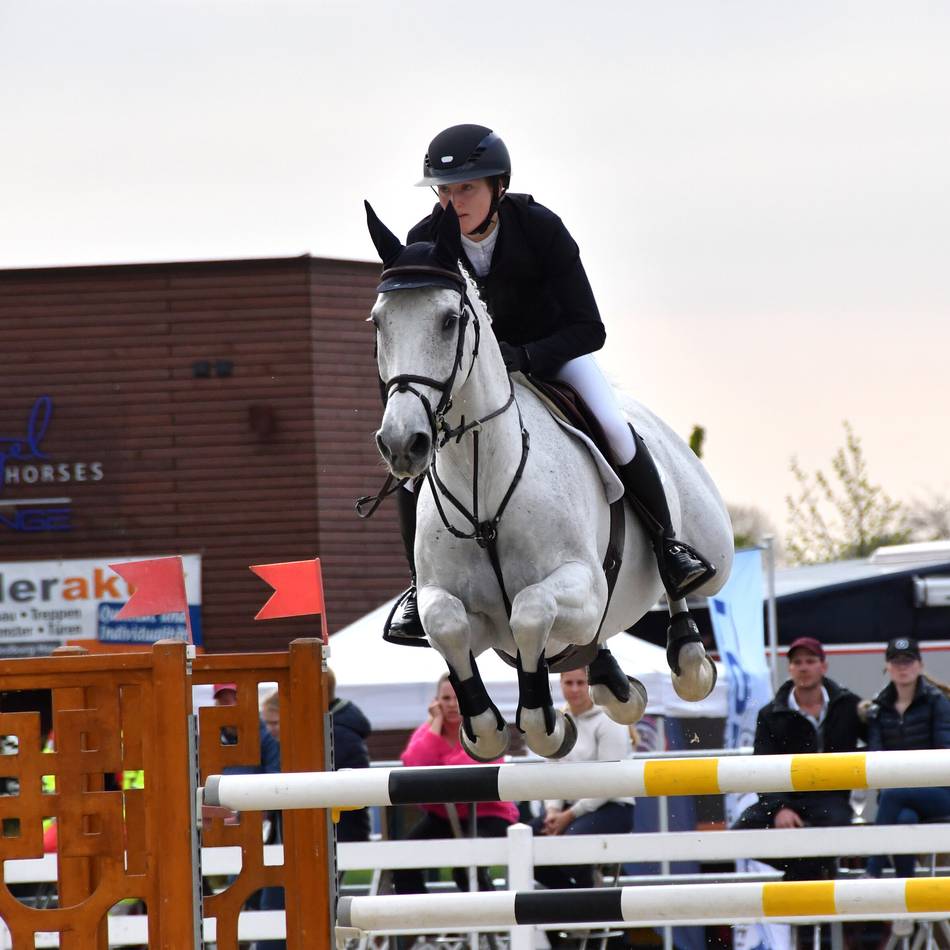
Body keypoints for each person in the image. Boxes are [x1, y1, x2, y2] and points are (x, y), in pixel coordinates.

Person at [384, 122, 715, 646]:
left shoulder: (540, 228)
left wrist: (526, 356)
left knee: (613, 426)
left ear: (499, 186)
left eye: (465, 188)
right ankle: (417, 585)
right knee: (412, 469)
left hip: (552, 356)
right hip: (474, 382)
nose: (452, 201)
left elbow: (590, 326)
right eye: (444, 191)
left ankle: (669, 550)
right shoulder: (425, 240)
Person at [732, 636, 865, 880]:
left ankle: (803, 880)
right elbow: (763, 766)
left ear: (823, 666)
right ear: (790, 668)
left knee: (838, 827)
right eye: (797, 662)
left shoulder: (849, 705)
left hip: (831, 798)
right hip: (787, 797)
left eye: (810, 661)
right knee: (741, 833)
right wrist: (780, 808)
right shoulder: (770, 714)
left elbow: (878, 738)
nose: (804, 667)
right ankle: (812, 875)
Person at [393, 673, 518, 895]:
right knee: (403, 861)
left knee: (466, 866)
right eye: (446, 698)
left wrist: (439, 760)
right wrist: (436, 724)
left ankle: (492, 921)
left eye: (457, 698)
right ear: (437, 702)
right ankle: (423, 923)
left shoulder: (484, 728)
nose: (452, 704)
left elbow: (472, 768)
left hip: (489, 815)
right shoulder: (430, 729)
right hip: (445, 817)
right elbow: (412, 763)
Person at [530, 667, 635, 890]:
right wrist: (552, 811)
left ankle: (584, 906)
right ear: (560, 685)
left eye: (581, 683)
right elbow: (552, 772)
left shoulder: (610, 720)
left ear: (591, 685)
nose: (575, 689)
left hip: (613, 806)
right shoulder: (558, 720)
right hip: (570, 810)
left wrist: (568, 815)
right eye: (569, 683)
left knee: (569, 845)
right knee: (525, 843)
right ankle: (578, 904)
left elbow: (609, 781)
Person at [864, 637, 950, 880]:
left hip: (941, 793)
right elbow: (875, 756)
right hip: (900, 797)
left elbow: (945, 752)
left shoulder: (937, 702)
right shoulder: (877, 708)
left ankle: (873, 870)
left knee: (892, 795)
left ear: (920, 666)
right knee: (904, 818)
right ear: (887, 667)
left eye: (908, 661)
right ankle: (907, 900)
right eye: (896, 661)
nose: (903, 667)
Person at [326, 667, 373, 844]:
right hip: (344, 826)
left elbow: (360, 788)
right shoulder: (340, 727)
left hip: (343, 830)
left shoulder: (339, 733)